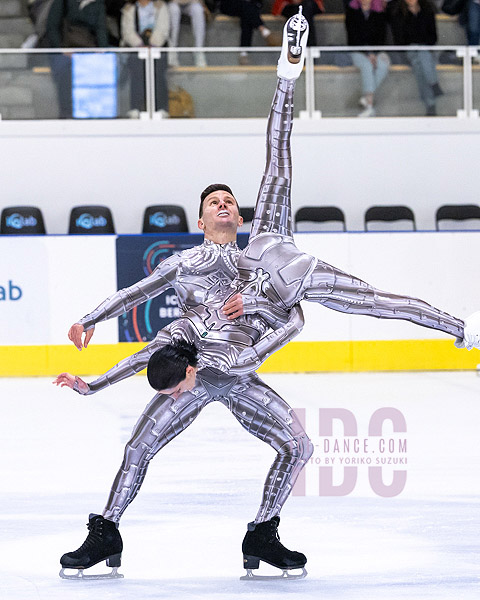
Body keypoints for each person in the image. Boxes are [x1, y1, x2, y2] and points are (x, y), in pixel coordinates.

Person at [54, 8, 480, 581]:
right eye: (214, 203)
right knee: (138, 448)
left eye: (230, 199)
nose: (225, 204)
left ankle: (262, 533)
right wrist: (90, 328)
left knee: (305, 434)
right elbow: (139, 302)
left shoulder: (266, 240)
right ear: (203, 220)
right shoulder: (188, 264)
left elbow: (277, 147)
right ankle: (105, 534)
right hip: (202, 367)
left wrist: (288, 69)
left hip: (242, 362)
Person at [44, 0, 109, 118]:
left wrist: (101, 50)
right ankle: (67, 113)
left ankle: (95, 114)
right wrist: (62, 49)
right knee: (66, 72)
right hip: (65, 50)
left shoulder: (97, 4)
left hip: (89, 49)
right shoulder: (62, 3)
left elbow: (101, 29)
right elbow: (52, 27)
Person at [390, 0, 442, 116]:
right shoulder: (398, 12)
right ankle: (434, 84)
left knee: (419, 66)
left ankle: (430, 105)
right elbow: (400, 39)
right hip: (409, 51)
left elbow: (433, 37)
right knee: (420, 54)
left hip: (426, 50)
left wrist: (421, 44)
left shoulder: (427, 10)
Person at [120, 0, 170, 117]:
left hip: (157, 47)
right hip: (136, 48)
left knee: (158, 69)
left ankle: (161, 108)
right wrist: (140, 46)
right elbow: (127, 31)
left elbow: (163, 29)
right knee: (136, 68)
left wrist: (153, 45)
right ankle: (135, 108)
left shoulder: (160, 6)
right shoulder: (129, 8)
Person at [345, 0, 390, 117]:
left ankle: (367, 97)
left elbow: (381, 37)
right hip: (358, 51)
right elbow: (353, 36)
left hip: (376, 51)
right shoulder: (352, 12)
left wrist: (374, 53)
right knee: (366, 65)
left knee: (384, 63)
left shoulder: (379, 13)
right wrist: (367, 52)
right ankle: (369, 105)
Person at [219, 0, 282, 64]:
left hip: (251, 6)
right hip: (231, 5)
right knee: (246, 7)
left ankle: (244, 53)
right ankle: (265, 31)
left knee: (246, 15)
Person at [168, 0, 207, 67]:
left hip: (191, 4)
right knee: (173, 10)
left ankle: (199, 51)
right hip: (173, 4)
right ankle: (172, 52)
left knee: (198, 9)